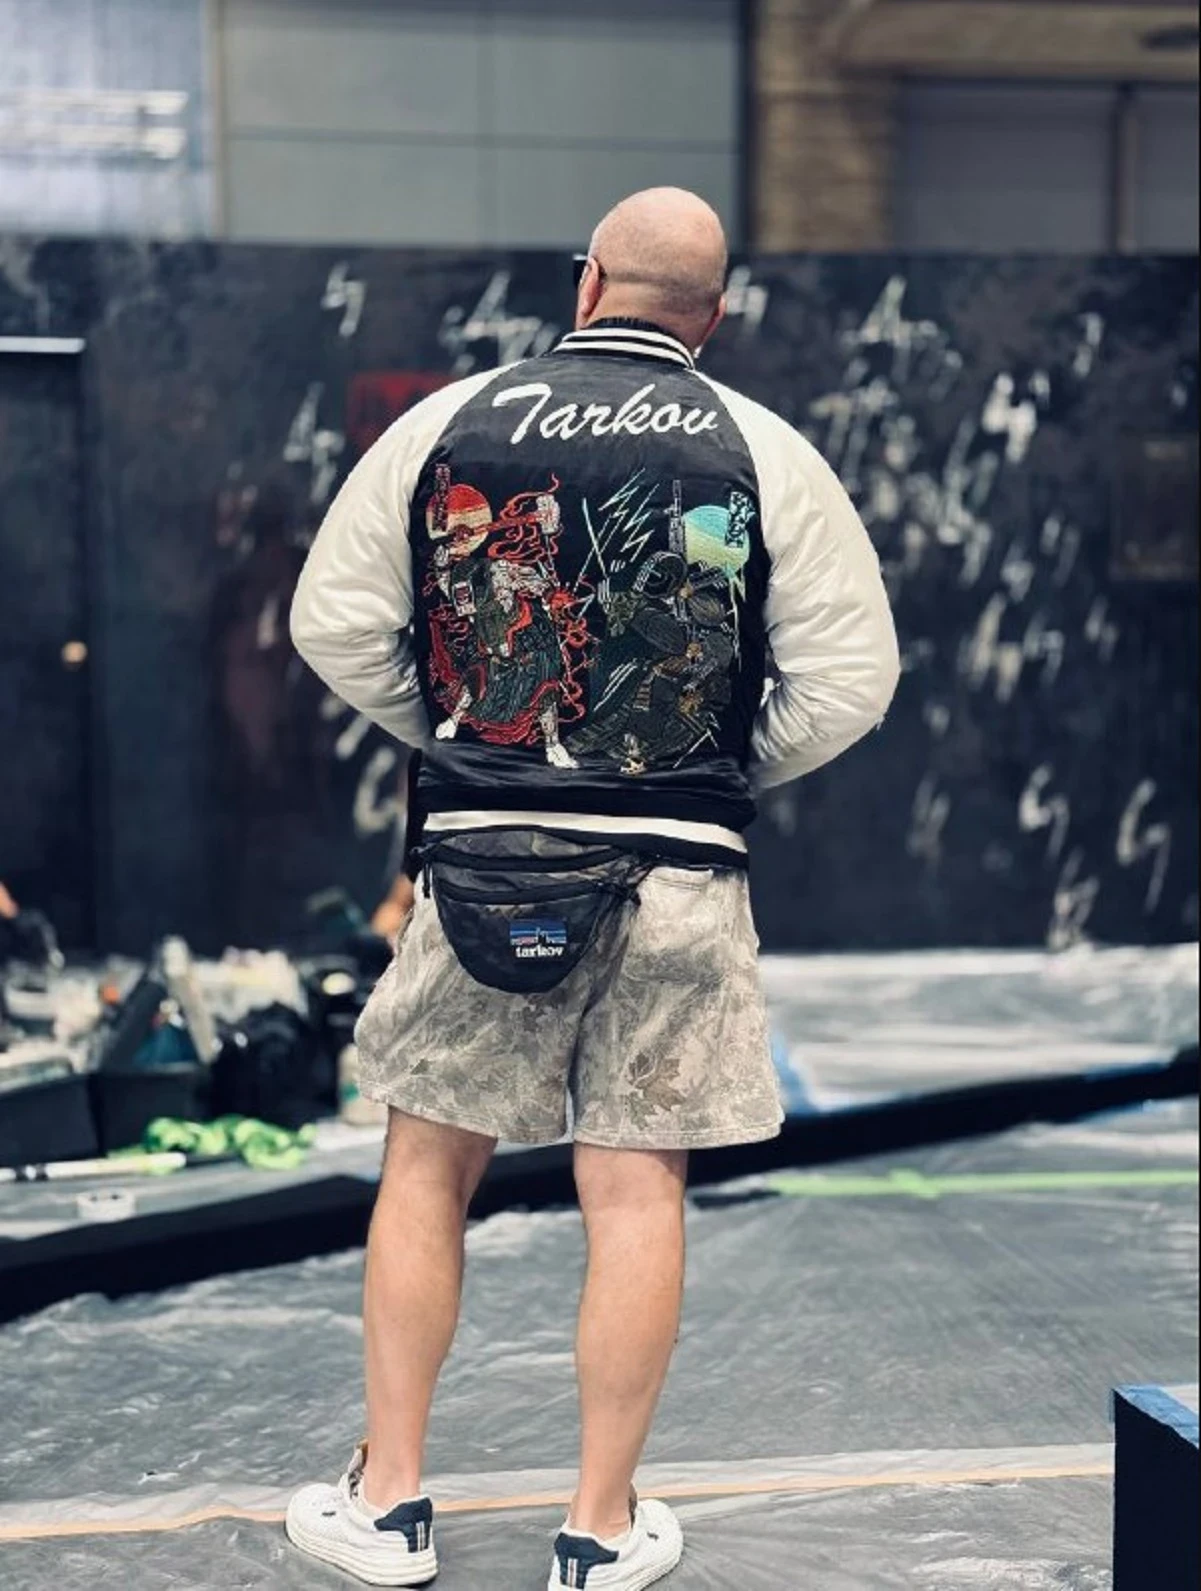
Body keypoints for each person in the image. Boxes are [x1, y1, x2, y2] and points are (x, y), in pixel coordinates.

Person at [286, 187, 900, 1590]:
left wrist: (468, 740)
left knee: (427, 1166)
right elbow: (851, 681)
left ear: (587, 284)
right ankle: (599, 1528)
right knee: (634, 1188)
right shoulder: (766, 451)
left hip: (482, 855)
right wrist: (710, 770)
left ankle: (390, 1507)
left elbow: (335, 623)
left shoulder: (446, 424)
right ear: (715, 316)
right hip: (680, 864)